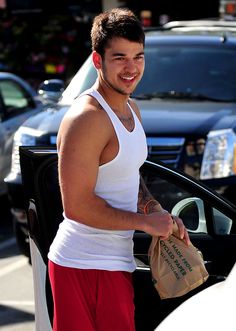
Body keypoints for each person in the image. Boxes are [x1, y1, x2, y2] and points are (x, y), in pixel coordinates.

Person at [48, 7, 190, 331]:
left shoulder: (131, 108)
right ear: (97, 61)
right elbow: (77, 207)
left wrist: (155, 210)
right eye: (119, 58)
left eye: (138, 57)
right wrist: (144, 223)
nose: (131, 68)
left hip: (115, 262)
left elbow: (127, 173)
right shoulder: (87, 119)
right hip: (82, 265)